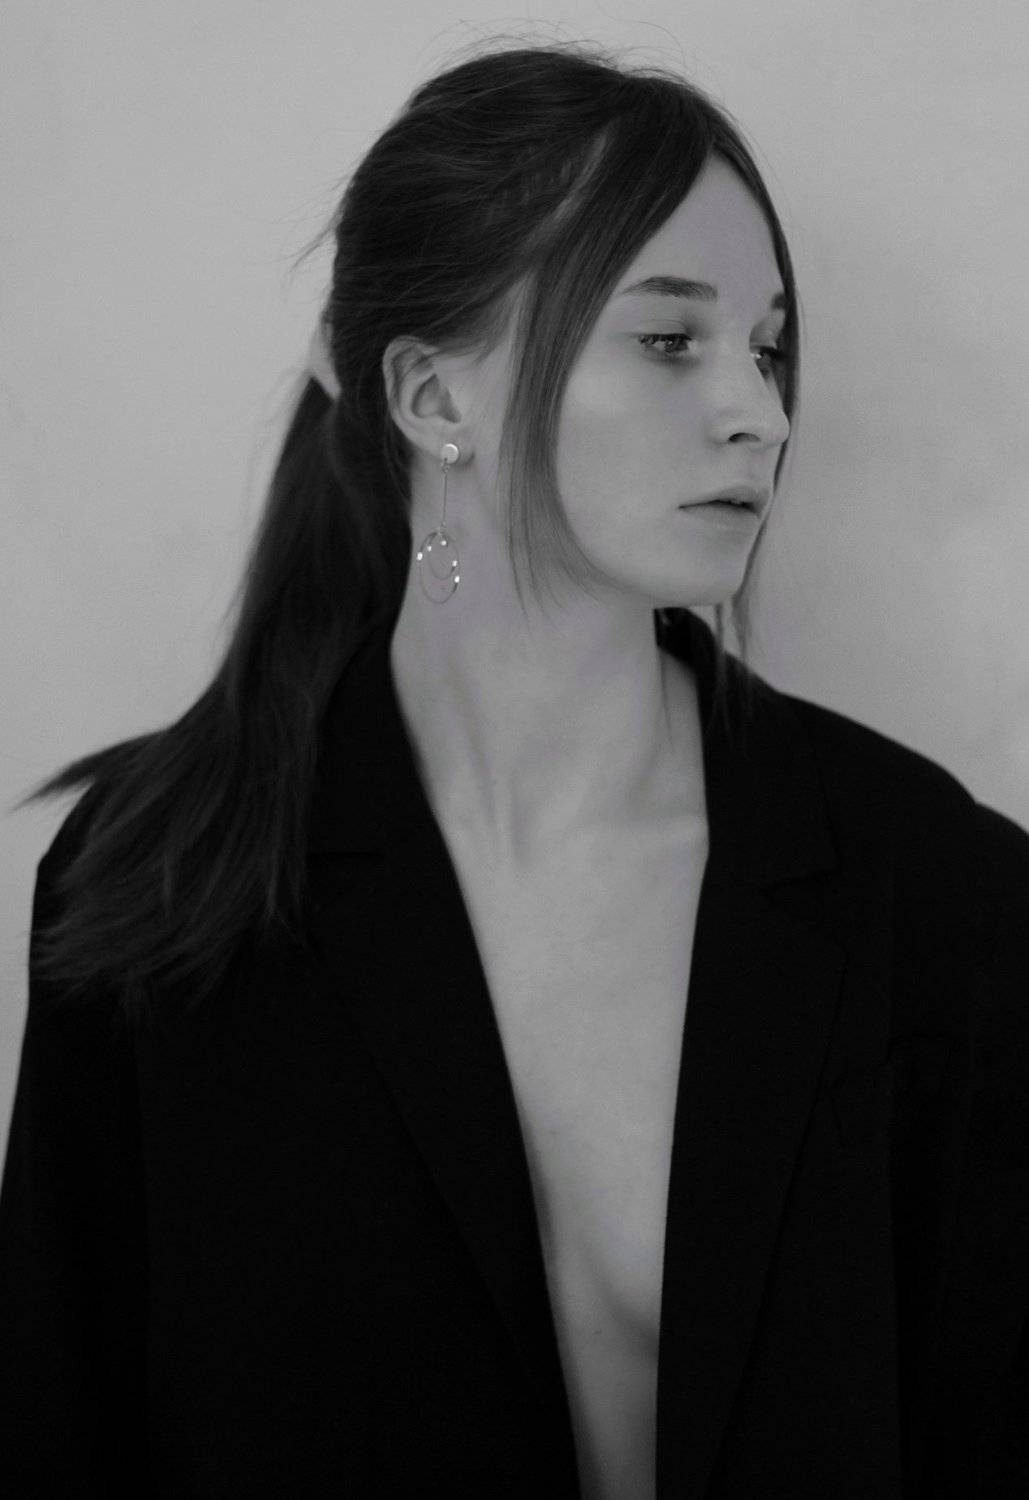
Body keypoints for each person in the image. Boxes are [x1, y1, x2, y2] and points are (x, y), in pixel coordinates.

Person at [1, 37, 1027, 1500]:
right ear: (433, 398)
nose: (762, 410)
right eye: (669, 340)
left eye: (767, 345)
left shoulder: (934, 889)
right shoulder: (159, 888)